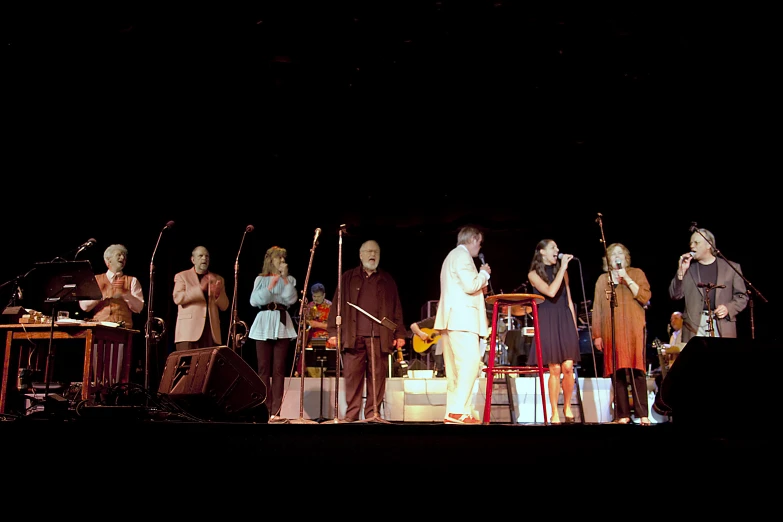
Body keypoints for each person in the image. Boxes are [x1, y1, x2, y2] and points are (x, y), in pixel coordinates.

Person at [326, 240, 406, 422]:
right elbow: (336, 306)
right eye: (369, 251)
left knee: (377, 379)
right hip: (353, 338)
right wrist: (332, 333)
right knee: (353, 378)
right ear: (360, 255)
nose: (373, 255)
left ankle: (372, 414)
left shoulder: (387, 280)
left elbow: (396, 309)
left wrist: (400, 334)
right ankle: (352, 416)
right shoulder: (347, 277)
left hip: (379, 337)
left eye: (376, 252)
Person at [433, 225, 491, 425]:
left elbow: (463, 286)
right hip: (462, 319)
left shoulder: (452, 256)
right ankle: (458, 411)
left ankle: (455, 413)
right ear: (473, 239)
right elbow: (470, 285)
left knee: (456, 370)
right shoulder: (462, 255)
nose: (479, 247)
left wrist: (479, 284)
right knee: (470, 363)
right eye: (479, 242)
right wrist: (484, 274)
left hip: (453, 319)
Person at [591, 242, 653, 425]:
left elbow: (645, 297)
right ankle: (622, 414)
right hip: (612, 331)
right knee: (616, 370)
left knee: (637, 370)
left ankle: (642, 414)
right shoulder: (603, 280)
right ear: (608, 260)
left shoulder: (637, 273)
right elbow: (598, 308)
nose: (617, 256)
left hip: (634, 329)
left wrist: (626, 278)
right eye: (613, 254)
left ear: (626, 257)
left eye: (620, 253)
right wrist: (597, 335)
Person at [526, 239, 580, 424]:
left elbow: (569, 299)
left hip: (564, 318)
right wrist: (563, 267)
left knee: (568, 366)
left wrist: (573, 326)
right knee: (554, 368)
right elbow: (550, 291)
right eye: (553, 247)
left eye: (557, 247)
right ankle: (554, 411)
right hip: (547, 319)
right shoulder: (533, 274)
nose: (557, 250)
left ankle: (567, 406)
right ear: (541, 252)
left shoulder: (562, 273)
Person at [248, 246, 299, 423]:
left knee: (278, 369)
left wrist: (283, 279)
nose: (283, 262)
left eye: (284, 259)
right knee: (263, 369)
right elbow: (255, 301)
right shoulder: (260, 279)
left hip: (281, 322)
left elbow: (291, 299)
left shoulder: (289, 279)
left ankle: (276, 411)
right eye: (280, 259)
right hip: (264, 322)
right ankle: (264, 409)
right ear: (271, 261)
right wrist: (272, 284)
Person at [669, 228, 748, 341]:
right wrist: (680, 272)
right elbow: (675, 295)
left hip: (722, 325)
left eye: (696, 242)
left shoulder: (731, 268)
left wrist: (728, 308)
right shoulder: (689, 269)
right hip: (694, 327)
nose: (692, 246)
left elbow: (742, 297)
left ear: (709, 245)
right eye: (691, 243)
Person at [172, 246, 229, 351]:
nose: (204, 259)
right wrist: (200, 288)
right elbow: (178, 298)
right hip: (188, 333)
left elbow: (225, 306)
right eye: (201, 256)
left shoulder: (218, 278)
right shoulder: (182, 276)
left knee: (209, 366)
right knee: (188, 366)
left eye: (207, 256)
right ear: (193, 260)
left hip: (211, 333)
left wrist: (217, 294)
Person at [79, 244, 144, 328]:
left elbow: (139, 308)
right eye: (119, 255)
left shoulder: (132, 281)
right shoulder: (95, 279)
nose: (123, 258)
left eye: (124, 256)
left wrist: (126, 293)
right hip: (99, 328)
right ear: (108, 260)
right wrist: (101, 294)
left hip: (122, 330)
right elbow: (84, 307)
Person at [304, 282, 332, 377]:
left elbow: (335, 326)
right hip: (311, 336)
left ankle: (319, 374)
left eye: (318, 296)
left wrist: (317, 324)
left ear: (324, 295)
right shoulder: (310, 306)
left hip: (326, 336)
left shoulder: (331, 307)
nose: (316, 299)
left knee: (318, 345)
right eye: (314, 296)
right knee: (306, 349)